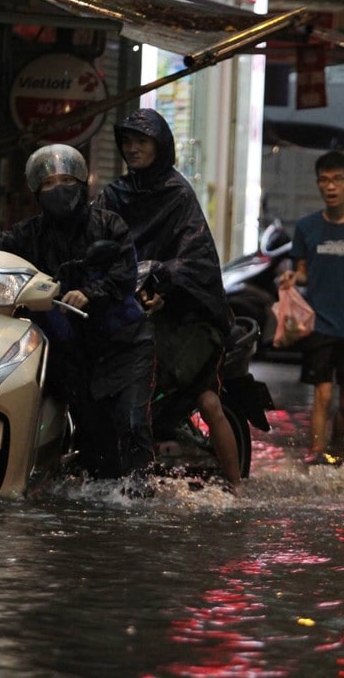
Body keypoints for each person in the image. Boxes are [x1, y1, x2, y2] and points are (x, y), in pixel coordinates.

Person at [0, 144, 156, 482]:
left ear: (81, 181)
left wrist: (90, 293)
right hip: (72, 353)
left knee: (131, 426)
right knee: (94, 444)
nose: (58, 189)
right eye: (48, 183)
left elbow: (123, 271)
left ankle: (141, 503)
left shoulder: (107, 224)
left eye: (66, 179)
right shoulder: (29, 234)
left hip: (121, 347)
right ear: (36, 192)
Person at [95, 108, 242, 492]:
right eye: (127, 142)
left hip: (184, 317)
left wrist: (165, 281)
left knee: (208, 400)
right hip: (124, 307)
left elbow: (198, 260)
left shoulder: (178, 195)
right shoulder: (114, 195)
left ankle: (237, 486)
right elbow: (94, 241)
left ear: (160, 147)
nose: (132, 149)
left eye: (141, 142)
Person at [278, 150, 344, 464]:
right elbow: (303, 271)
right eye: (324, 180)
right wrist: (293, 277)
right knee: (322, 394)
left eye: (337, 179)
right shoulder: (307, 227)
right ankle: (316, 455)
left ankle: (336, 445)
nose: (330, 186)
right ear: (318, 184)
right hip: (319, 323)